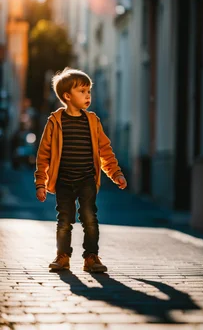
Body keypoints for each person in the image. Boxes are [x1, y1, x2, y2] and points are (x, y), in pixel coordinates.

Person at [35, 67, 127, 272]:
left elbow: (105, 151)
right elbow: (44, 155)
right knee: (64, 220)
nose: (88, 96)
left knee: (89, 218)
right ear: (67, 96)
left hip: (87, 178)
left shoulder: (93, 121)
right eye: (82, 91)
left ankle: (91, 257)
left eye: (89, 91)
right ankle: (63, 256)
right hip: (63, 180)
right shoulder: (54, 122)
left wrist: (116, 173)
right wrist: (40, 183)